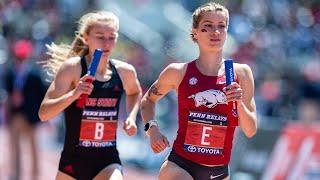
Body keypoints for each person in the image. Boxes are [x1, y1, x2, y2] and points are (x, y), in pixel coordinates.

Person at [140, 2, 257, 180]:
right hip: (180, 165)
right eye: (207, 26)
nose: (215, 32)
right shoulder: (178, 72)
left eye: (221, 26)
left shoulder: (241, 73)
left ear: (227, 32)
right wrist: (153, 130)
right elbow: (147, 101)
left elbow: (250, 130)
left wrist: (238, 102)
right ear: (195, 32)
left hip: (219, 171)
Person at [38, 11, 142, 180]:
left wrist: (130, 117)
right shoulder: (72, 68)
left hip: (107, 160)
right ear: (86, 38)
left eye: (111, 37)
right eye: (100, 36)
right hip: (73, 162)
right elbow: (44, 114)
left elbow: (135, 92)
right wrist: (74, 94)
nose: (106, 43)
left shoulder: (124, 71)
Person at [3, 39, 46, 180]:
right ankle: (16, 174)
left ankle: (35, 175)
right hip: (15, 115)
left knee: (33, 147)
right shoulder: (9, 73)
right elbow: (7, 93)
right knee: (14, 147)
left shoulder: (35, 74)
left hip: (30, 116)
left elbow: (42, 95)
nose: (20, 59)